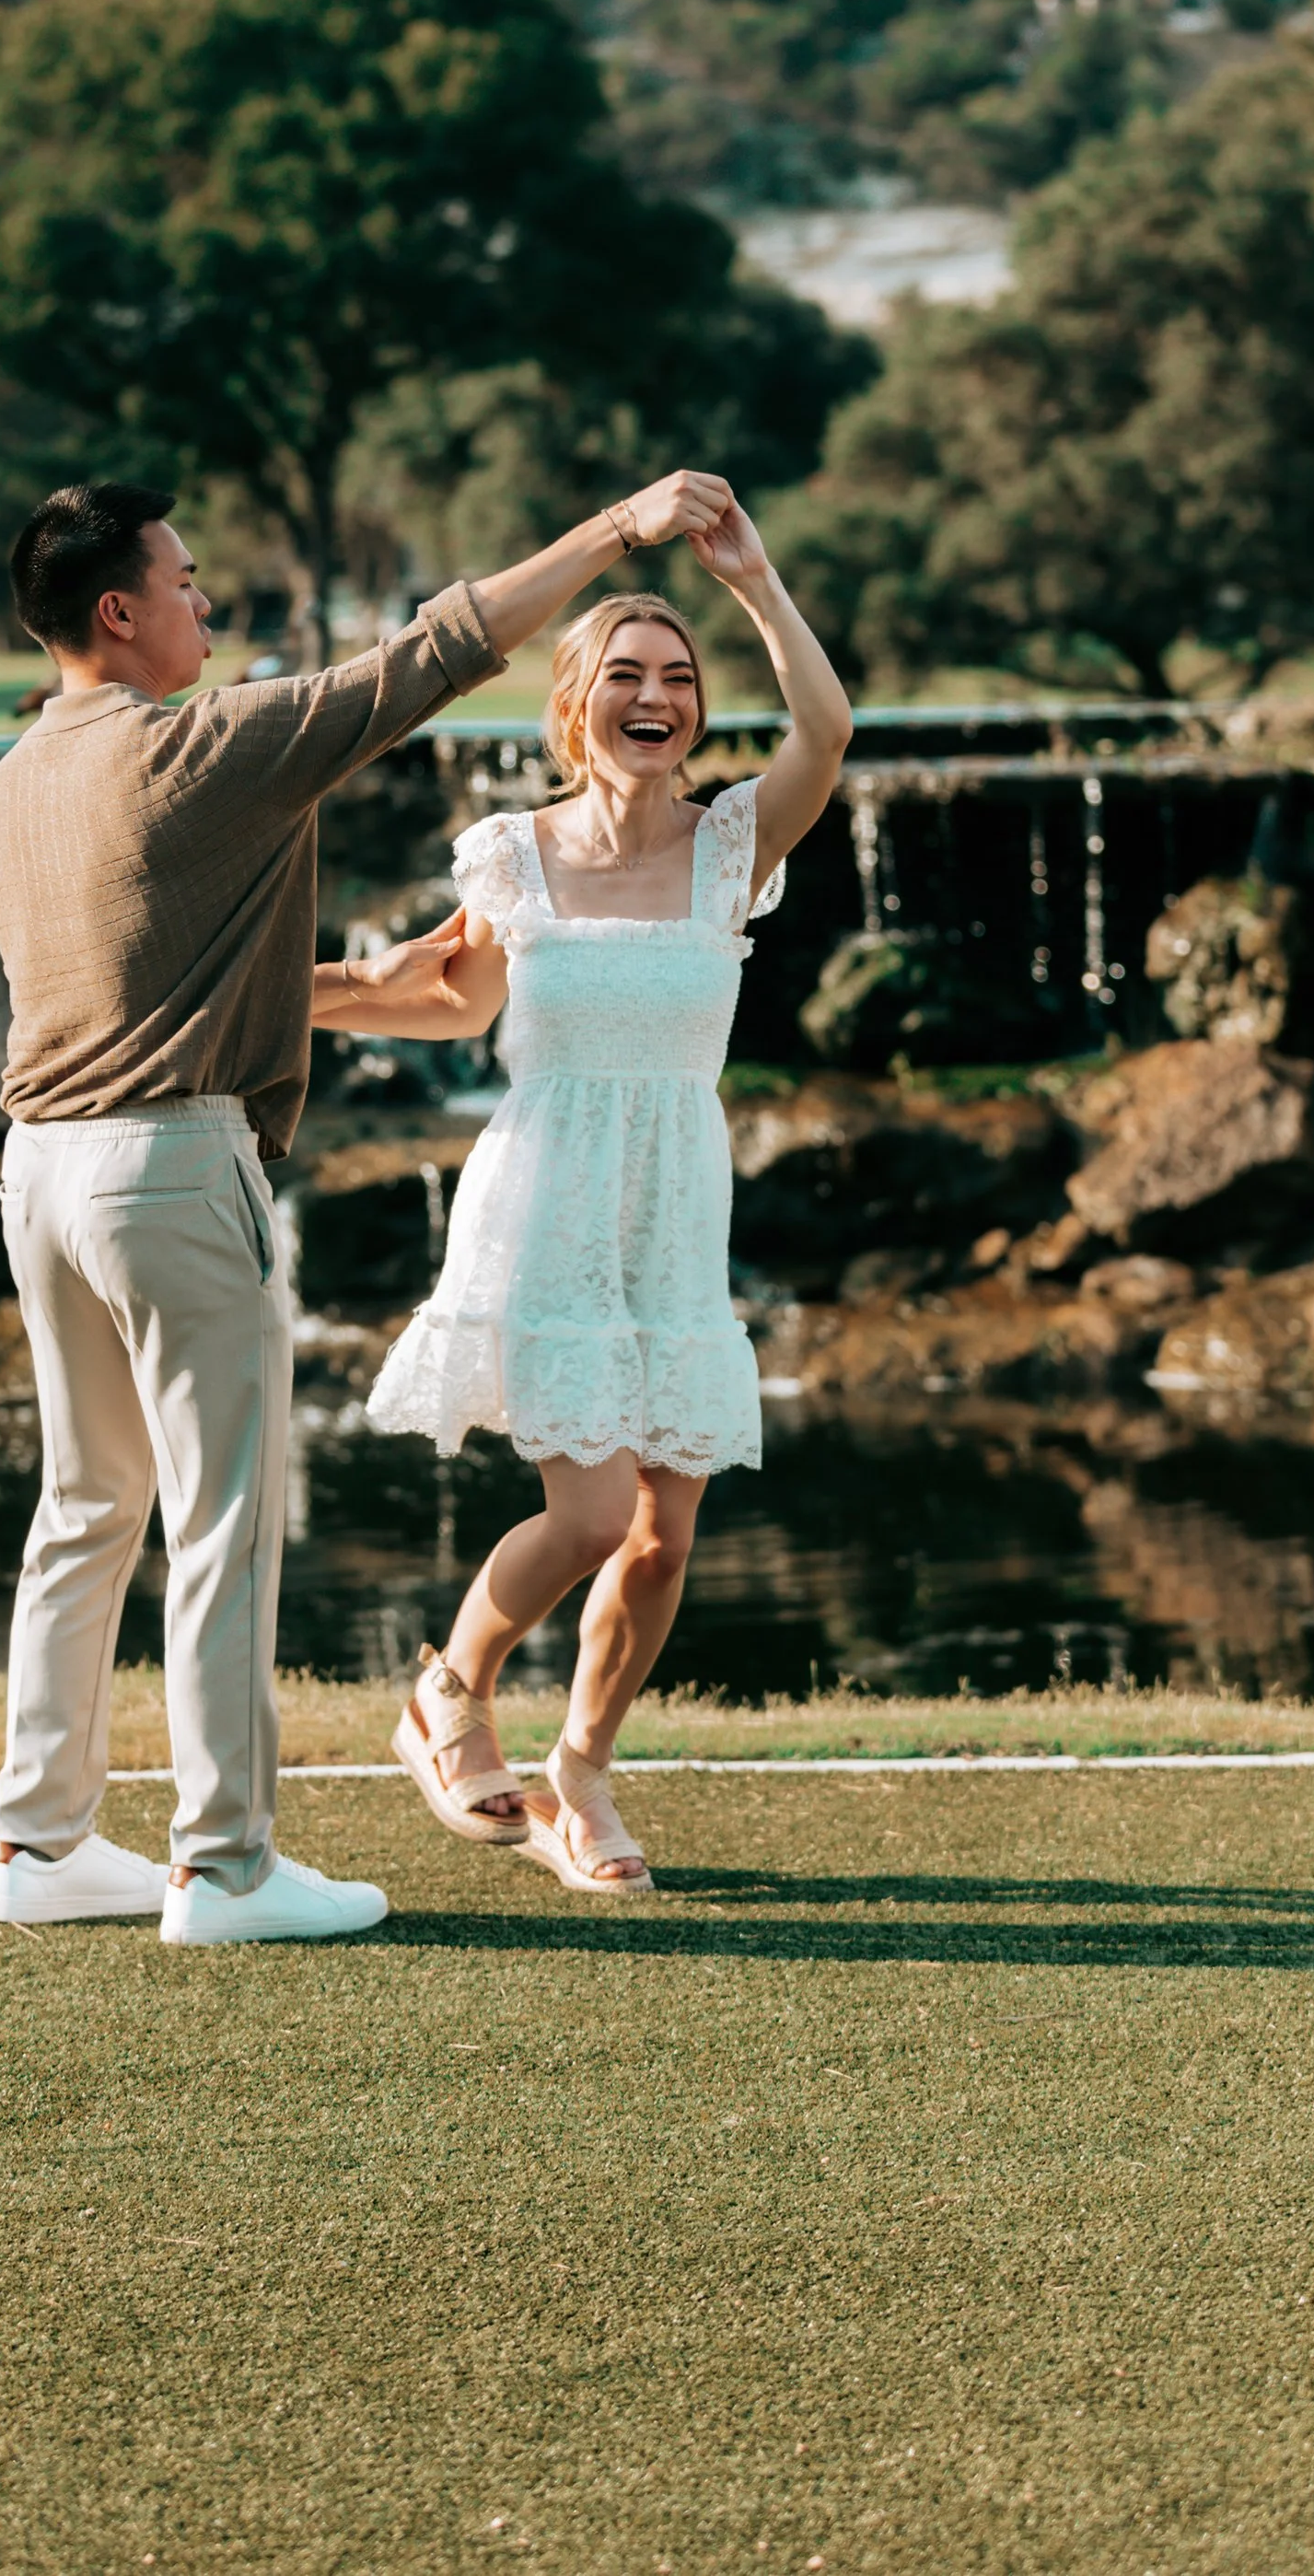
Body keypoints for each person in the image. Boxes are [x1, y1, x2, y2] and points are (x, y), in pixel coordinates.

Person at [0, 466, 734, 1948]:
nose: (207, 603)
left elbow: (146, 956)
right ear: (118, 614)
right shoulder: (208, 746)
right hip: (168, 1169)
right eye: (184, 583)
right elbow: (439, 648)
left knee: (84, 1510)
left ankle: (39, 1841)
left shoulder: (14, 782)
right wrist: (609, 532)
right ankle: (229, 1866)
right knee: (225, 1524)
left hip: (38, 1172)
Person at [311, 495, 853, 1895]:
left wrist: (750, 582)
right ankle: (449, 1684)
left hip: (673, 1204)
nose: (655, 696)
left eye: (676, 679)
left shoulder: (737, 847)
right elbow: (446, 996)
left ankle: (582, 1769)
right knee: (598, 1514)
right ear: (575, 705)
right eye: (625, 673)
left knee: (667, 1533)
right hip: (545, 1196)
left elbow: (829, 732)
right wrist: (292, 998)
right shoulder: (511, 855)